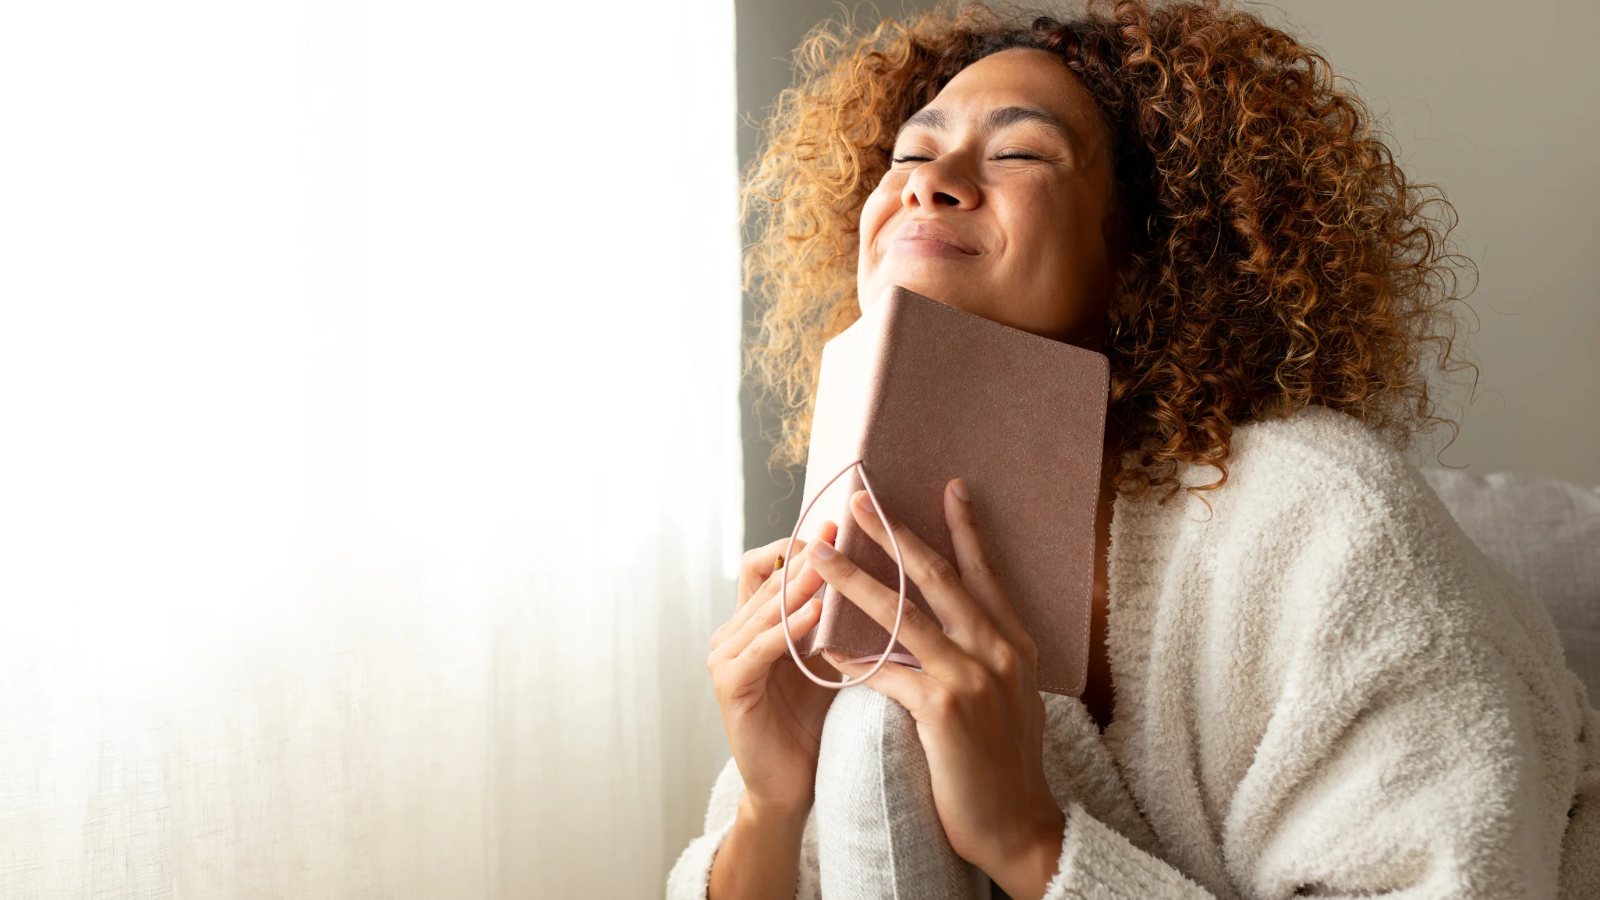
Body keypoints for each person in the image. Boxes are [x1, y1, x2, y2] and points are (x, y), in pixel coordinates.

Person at [669, 2, 1600, 898]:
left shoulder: (1324, 521)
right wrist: (769, 805)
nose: (927, 178)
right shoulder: (870, 519)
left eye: (1019, 151)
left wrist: (1027, 838)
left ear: (1146, 251)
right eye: (910, 152)